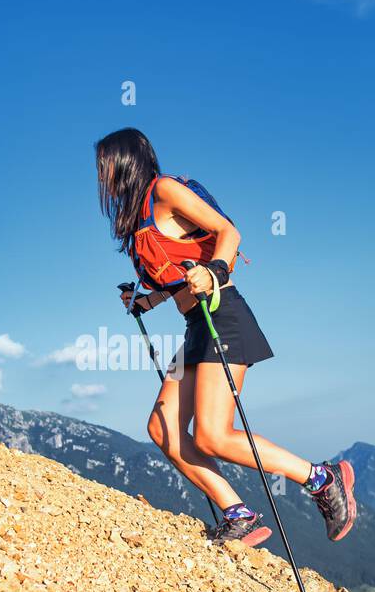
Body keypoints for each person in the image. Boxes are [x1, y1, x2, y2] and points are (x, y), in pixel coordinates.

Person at [95, 127, 357, 545]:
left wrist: (215, 271)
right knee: (162, 430)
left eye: (106, 164)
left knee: (212, 435)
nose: (102, 174)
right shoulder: (137, 221)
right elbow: (178, 274)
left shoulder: (164, 191)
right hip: (196, 326)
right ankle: (238, 513)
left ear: (126, 161)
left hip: (223, 315)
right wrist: (145, 301)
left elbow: (228, 232)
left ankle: (322, 479)